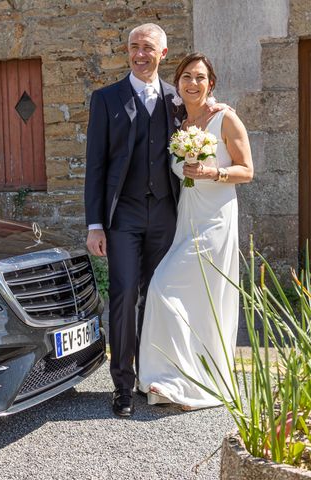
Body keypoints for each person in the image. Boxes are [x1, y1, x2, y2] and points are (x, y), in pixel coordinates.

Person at [137, 53, 253, 409]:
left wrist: (214, 173)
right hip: (187, 217)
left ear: (211, 83)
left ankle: (197, 383)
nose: (193, 83)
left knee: (164, 287)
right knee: (188, 298)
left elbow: (247, 170)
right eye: (187, 76)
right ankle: (172, 379)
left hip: (216, 218)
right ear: (179, 83)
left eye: (201, 77)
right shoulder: (178, 124)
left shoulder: (225, 118)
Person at [84, 23, 182, 417]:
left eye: (147, 48)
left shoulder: (177, 100)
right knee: (124, 295)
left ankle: (151, 377)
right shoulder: (106, 99)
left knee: (157, 297)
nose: (139, 55)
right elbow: (96, 165)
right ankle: (122, 385)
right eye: (133, 47)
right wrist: (95, 224)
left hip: (165, 213)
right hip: (122, 216)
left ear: (163, 53)